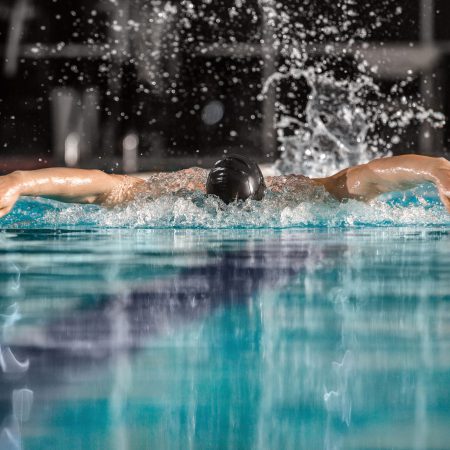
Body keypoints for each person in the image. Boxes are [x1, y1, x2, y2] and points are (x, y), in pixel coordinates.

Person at [0, 153, 449, 218]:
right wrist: (18, 182)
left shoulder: (295, 194)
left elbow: (363, 176)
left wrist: (436, 168)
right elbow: (102, 186)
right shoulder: (174, 190)